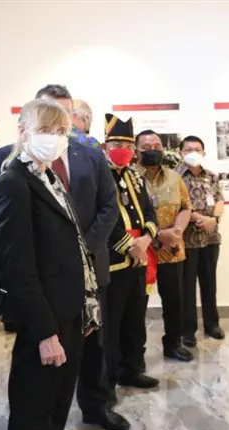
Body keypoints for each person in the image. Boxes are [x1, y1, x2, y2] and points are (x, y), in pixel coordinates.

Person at [0, 84, 131, 430]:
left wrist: (85, 307)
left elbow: (78, 239)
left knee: (57, 407)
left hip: (70, 310)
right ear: (23, 131)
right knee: (34, 413)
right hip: (45, 318)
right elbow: (18, 266)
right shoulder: (15, 181)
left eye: (60, 131)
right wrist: (45, 333)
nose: (53, 138)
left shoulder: (48, 175)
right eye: (45, 129)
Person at [102, 113, 160, 390]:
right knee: (111, 324)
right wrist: (129, 246)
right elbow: (101, 218)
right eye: (116, 144)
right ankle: (108, 379)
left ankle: (132, 370)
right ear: (105, 146)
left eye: (127, 144)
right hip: (113, 261)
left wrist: (147, 238)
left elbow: (149, 211)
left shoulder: (136, 177)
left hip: (139, 259)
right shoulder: (99, 176)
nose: (122, 150)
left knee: (135, 321)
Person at [135, 129, 194, 362]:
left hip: (172, 250)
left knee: (174, 300)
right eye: (146, 147)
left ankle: (173, 344)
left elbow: (186, 207)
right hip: (141, 252)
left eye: (157, 146)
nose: (152, 150)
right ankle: (135, 352)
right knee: (137, 304)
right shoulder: (129, 177)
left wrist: (177, 232)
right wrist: (159, 235)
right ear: (136, 150)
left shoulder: (174, 177)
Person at [177, 135, 224, 345]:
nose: (193, 153)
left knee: (210, 283)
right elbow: (180, 205)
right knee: (187, 286)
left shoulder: (211, 176)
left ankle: (212, 324)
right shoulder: (175, 177)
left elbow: (220, 200)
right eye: (188, 150)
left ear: (203, 152)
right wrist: (199, 218)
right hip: (187, 240)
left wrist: (213, 219)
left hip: (211, 238)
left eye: (197, 149)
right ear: (180, 152)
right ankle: (188, 331)